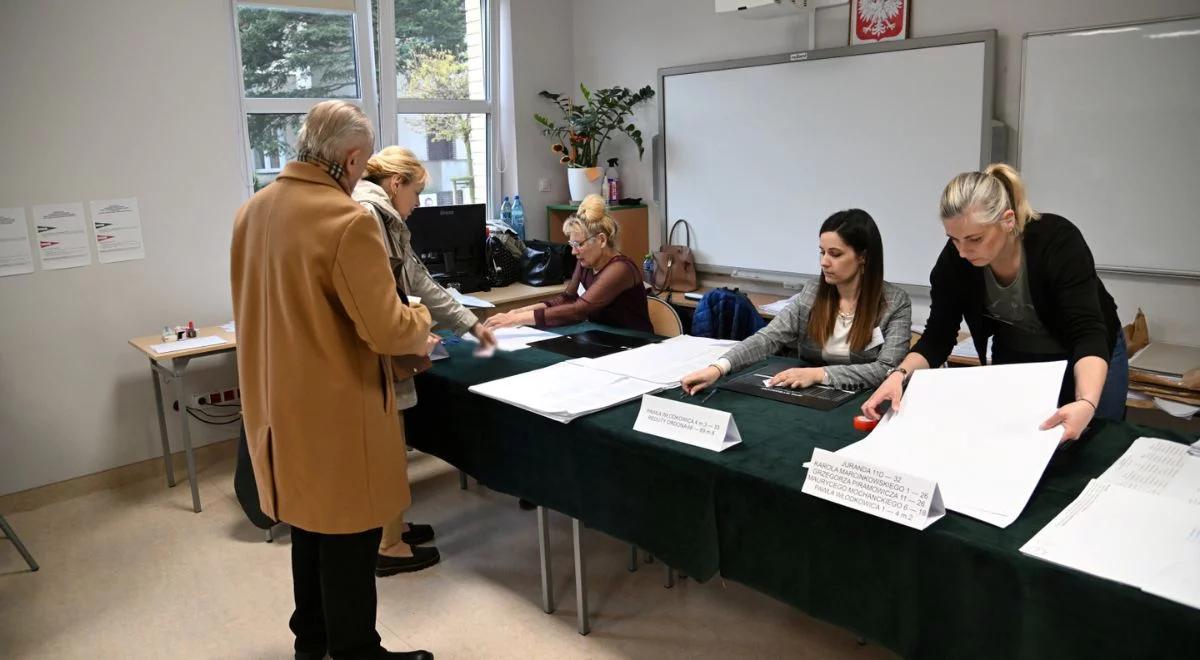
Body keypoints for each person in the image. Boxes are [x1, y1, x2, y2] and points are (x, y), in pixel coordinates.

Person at [231, 100, 435, 660]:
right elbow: (390, 331)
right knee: (350, 536)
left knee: (308, 528)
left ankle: (312, 641)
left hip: (277, 406)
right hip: (338, 411)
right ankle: (355, 651)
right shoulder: (345, 221)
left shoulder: (252, 211)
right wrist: (418, 317)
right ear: (349, 158)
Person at [861, 164, 1128, 442]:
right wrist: (899, 375)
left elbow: (1088, 332)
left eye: (975, 239)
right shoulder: (955, 263)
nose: (963, 251)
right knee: (1019, 438)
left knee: (1096, 441)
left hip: (1087, 355)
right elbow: (938, 336)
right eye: (953, 240)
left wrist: (1086, 402)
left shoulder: (1057, 242)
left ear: (1008, 220)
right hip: (1019, 358)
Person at [352, 146, 496, 577]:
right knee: (387, 450)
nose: (417, 206)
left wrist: (470, 323)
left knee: (390, 444)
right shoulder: (369, 217)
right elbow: (391, 293)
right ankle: (388, 545)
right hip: (379, 352)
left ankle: (390, 526)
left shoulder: (376, 214)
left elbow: (417, 280)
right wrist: (414, 327)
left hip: (383, 345)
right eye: (416, 193)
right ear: (396, 184)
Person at [681, 209, 911, 394]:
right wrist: (718, 368)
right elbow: (768, 338)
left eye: (835, 254)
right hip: (807, 393)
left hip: (863, 399)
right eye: (821, 252)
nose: (824, 262)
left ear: (863, 257)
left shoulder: (895, 302)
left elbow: (887, 369)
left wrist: (820, 374)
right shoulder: (812, 293)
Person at [483, 194, 651, 332]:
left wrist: (516, 319)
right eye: (572, 245)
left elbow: (579, 310)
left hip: (637, 345)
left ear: (601, 240)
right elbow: (567, 298)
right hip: (605, 338)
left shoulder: (620, 269)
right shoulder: (586, 262)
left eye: (579, 245)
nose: (573, 252)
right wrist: (520, 312)